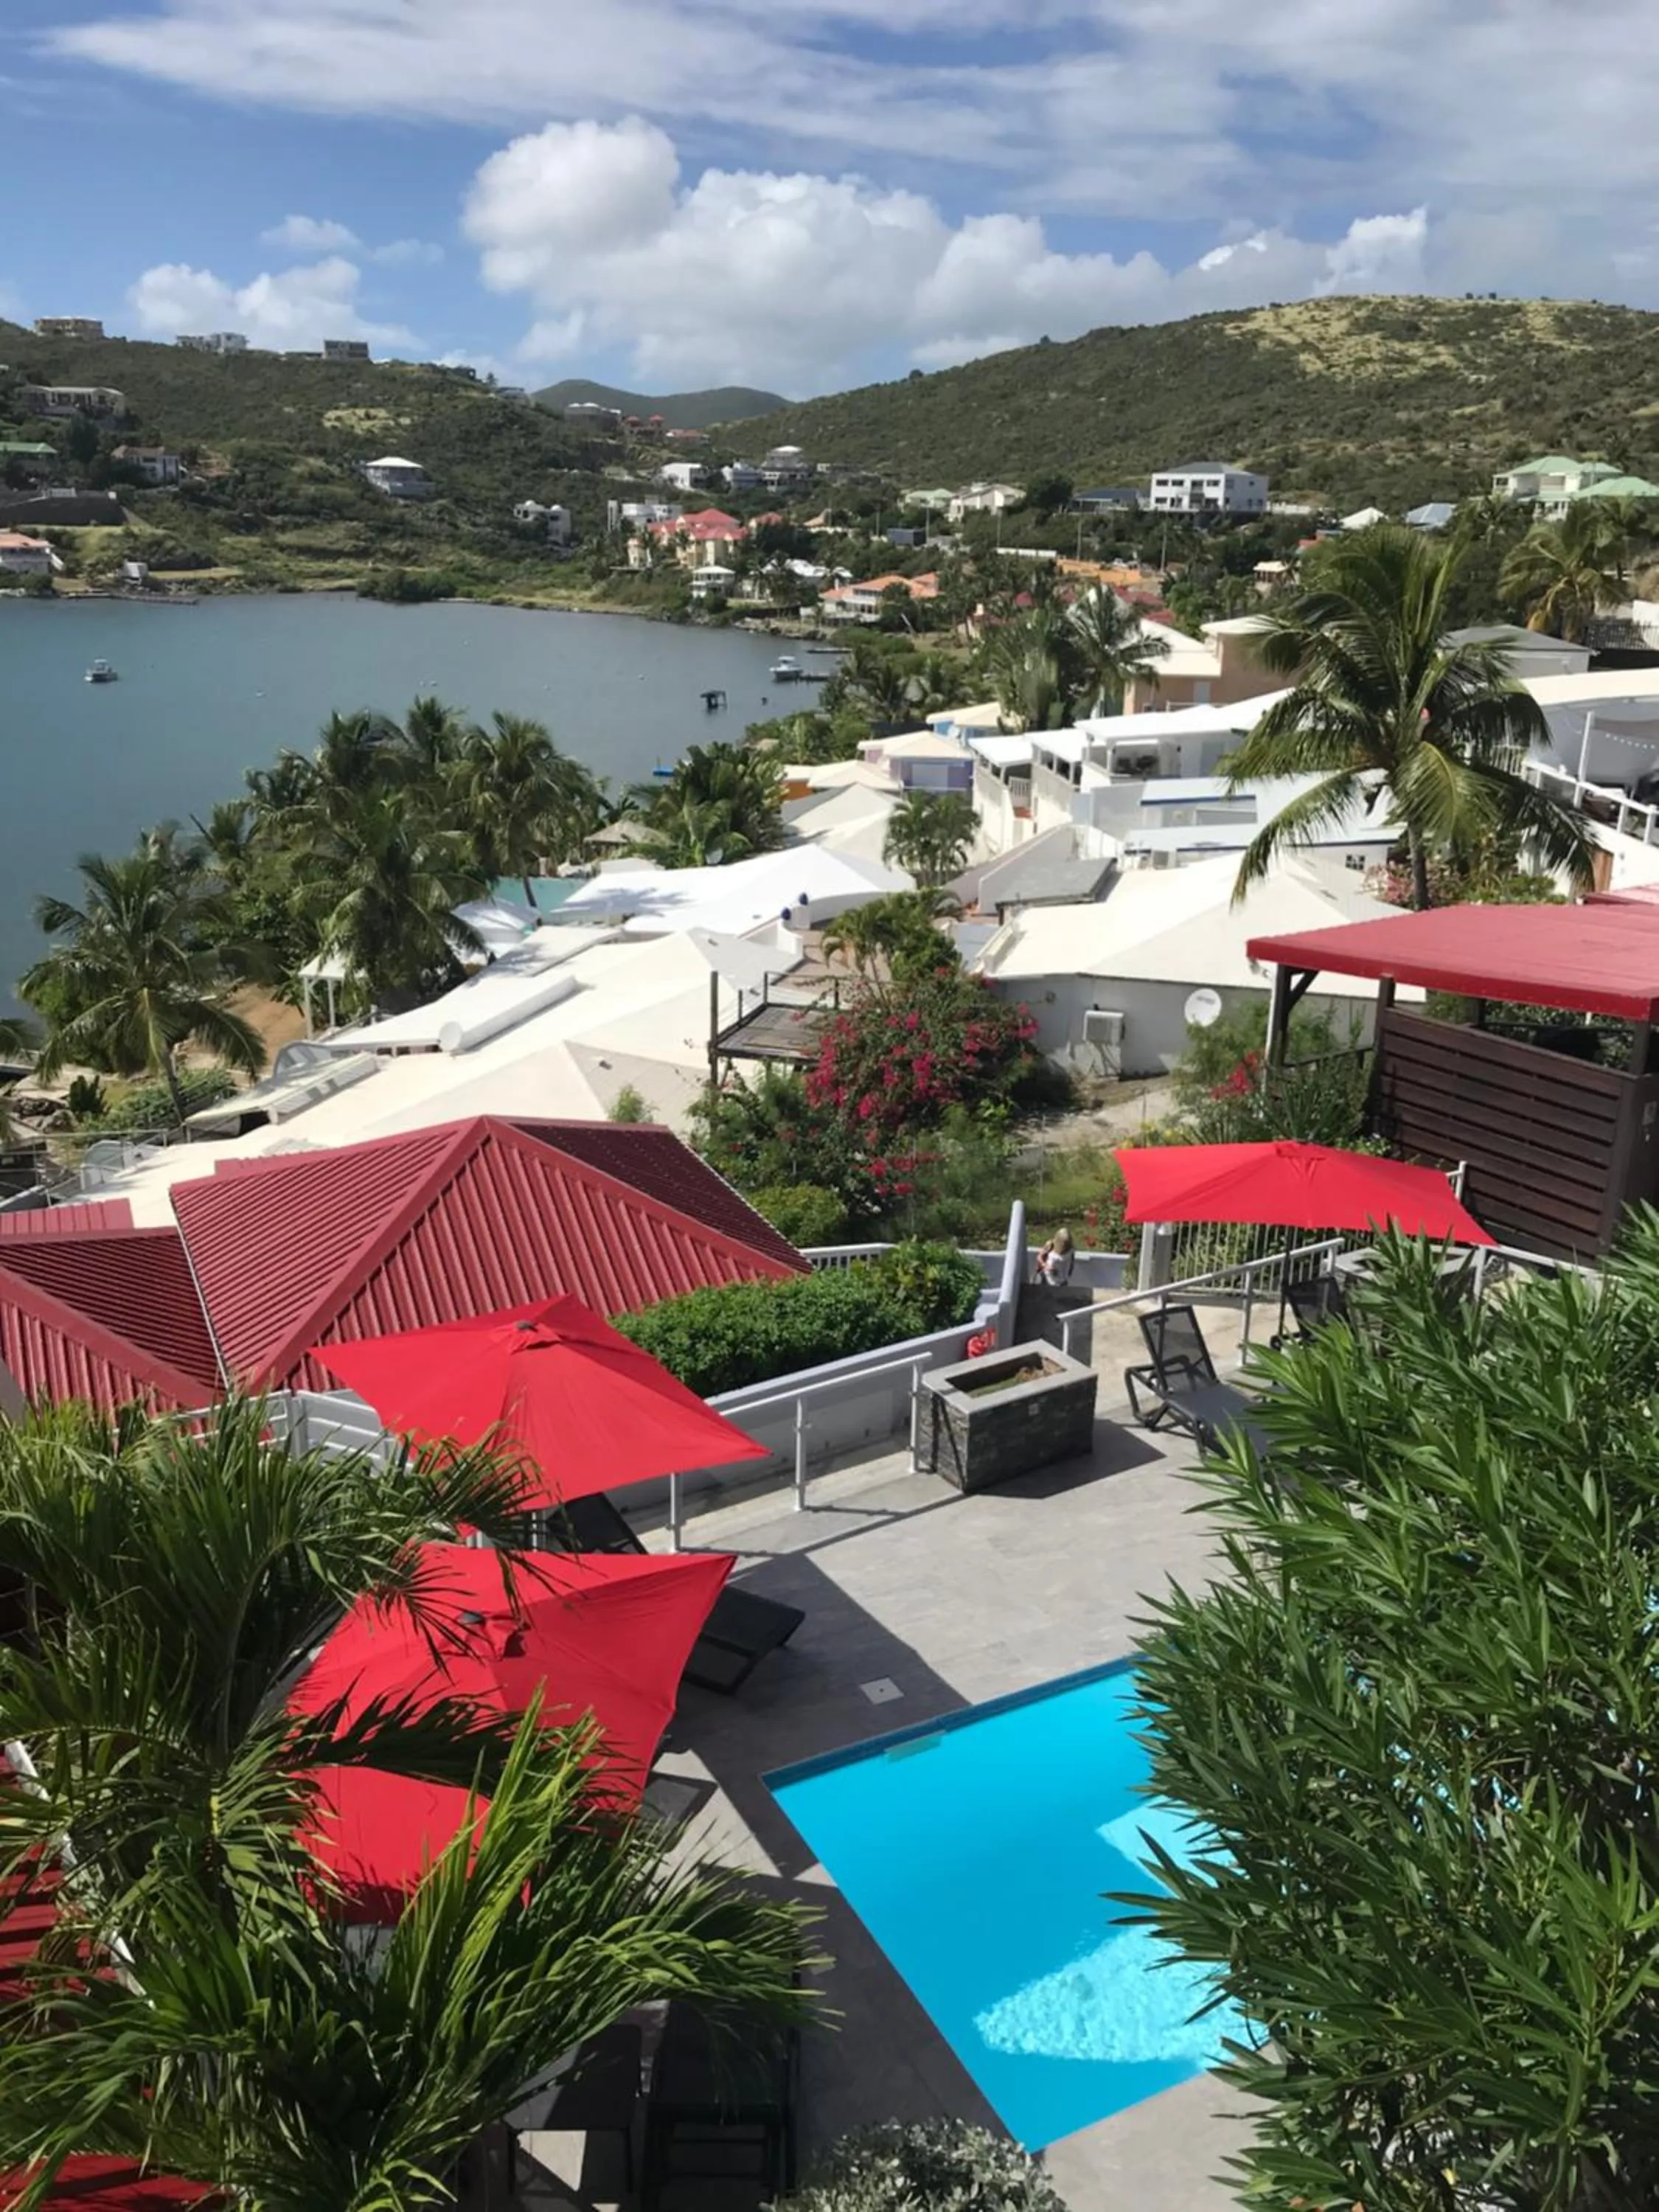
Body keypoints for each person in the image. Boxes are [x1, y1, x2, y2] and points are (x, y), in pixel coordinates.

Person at [1035, 1226, 1075, 1290]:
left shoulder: (1071, 1250)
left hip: (1063, 1279)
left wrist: (1069, 1271)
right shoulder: (1050, 1245)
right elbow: (1039, 1256)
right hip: (1047, 1278)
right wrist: (1045, 1266)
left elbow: (1071, 1261)